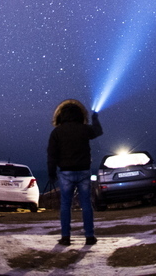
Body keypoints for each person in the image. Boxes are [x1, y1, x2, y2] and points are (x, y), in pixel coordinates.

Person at [47, 99, 103, 246]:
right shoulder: (84, 129)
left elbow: (52, 154)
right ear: (79, 114)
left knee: (65, 205)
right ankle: (89, 236)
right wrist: (95, 119)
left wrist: (51, 172)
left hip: (65, 173)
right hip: (84, 171)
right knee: (86, 204)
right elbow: (98, 131)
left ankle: (65, 237)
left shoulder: (57, 132)